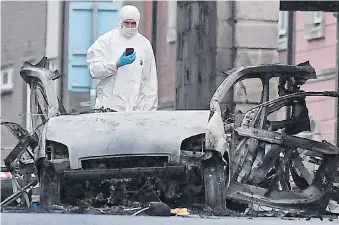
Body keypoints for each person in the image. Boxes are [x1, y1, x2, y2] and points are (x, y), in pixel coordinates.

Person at [86, 5, 158, 112]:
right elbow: (94, 70)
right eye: (126, 23)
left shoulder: (144, 45)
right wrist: (116, 64)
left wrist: (147, 111)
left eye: (133, 23)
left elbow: (149, 81)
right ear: (120, 21)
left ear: (137, 22)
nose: (129, 27)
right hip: (108, 108)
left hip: (135, 111)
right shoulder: (106, 41)